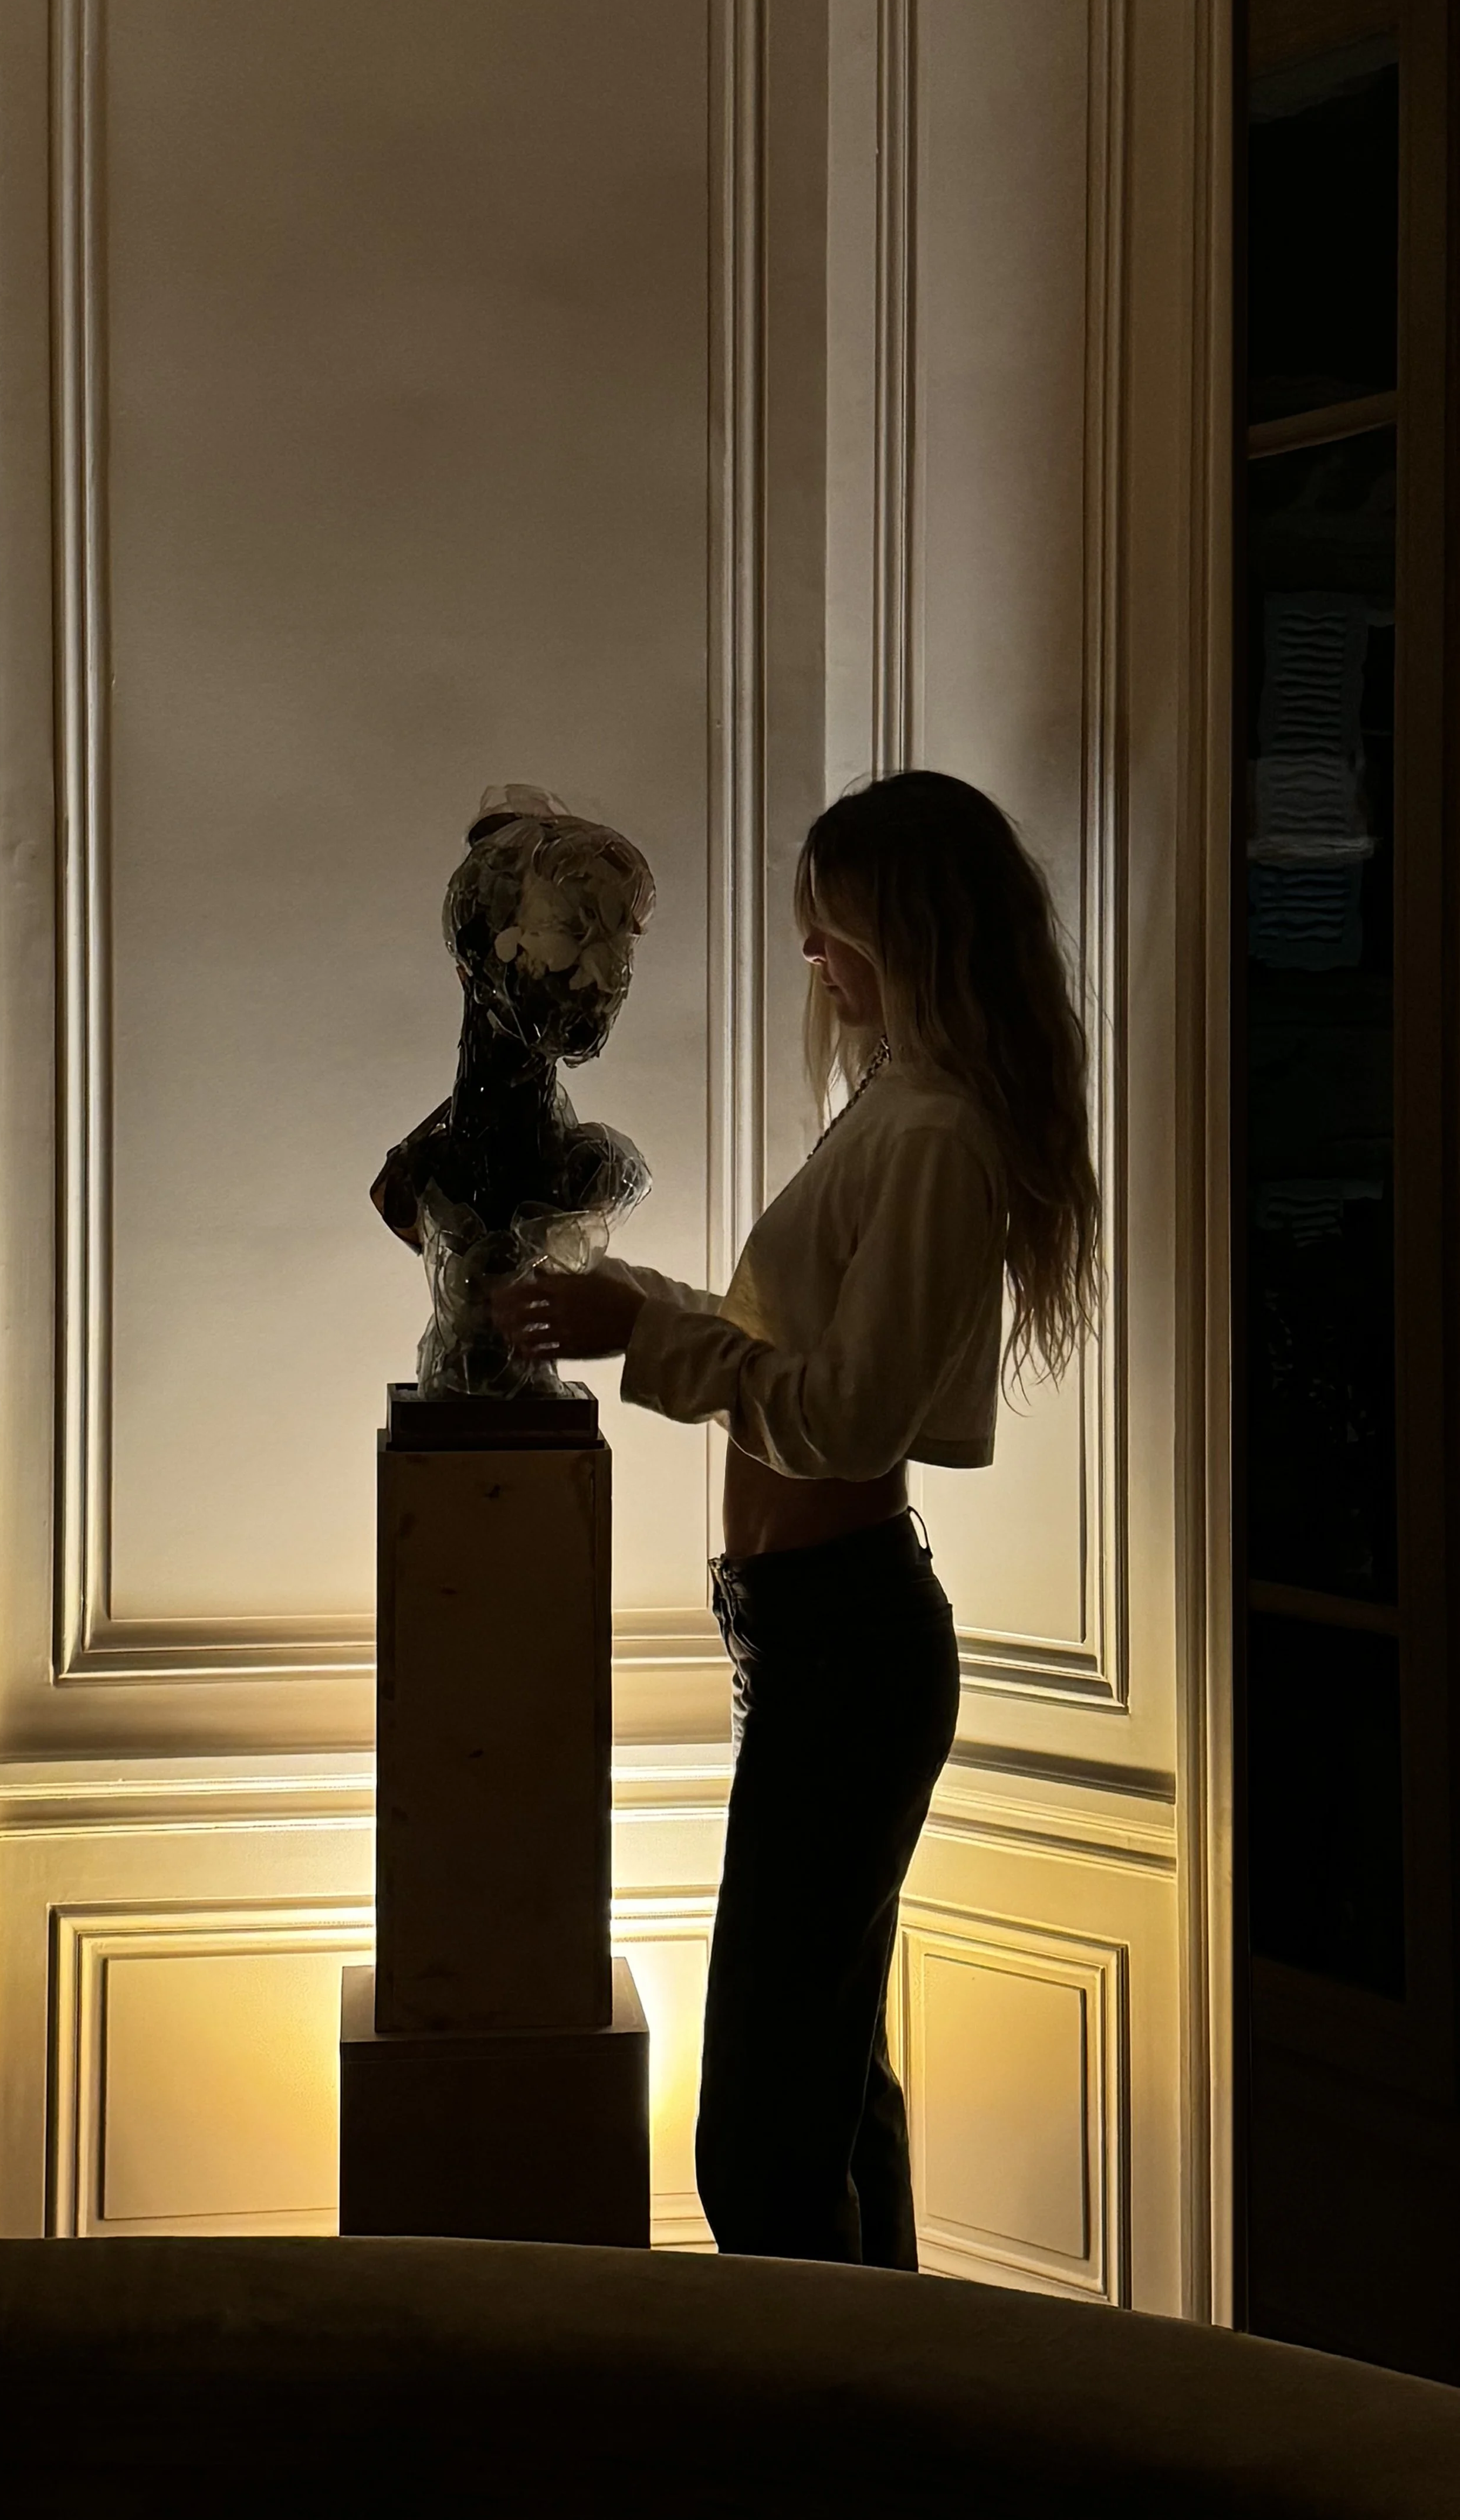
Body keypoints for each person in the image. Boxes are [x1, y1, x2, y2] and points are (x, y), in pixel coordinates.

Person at [494, 769, 1099, 2270]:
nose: (812, 958)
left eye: (833, 929)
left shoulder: (936, 1136)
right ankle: (883, 2417)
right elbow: (793, 1356)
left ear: (910, 929)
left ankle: (821, 2426)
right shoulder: (897, 1109)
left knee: (765, 2126)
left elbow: (839, 1418)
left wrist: (639, 1336)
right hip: (810, 1637)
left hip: (846, 1643)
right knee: (821, 2090)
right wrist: (637, 1308)